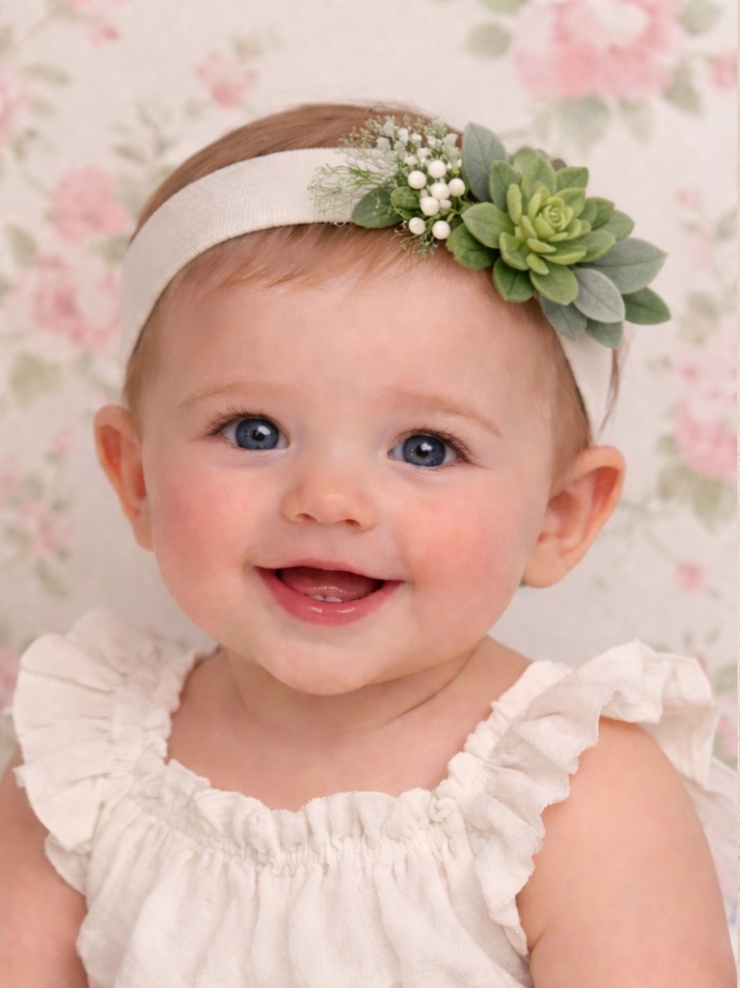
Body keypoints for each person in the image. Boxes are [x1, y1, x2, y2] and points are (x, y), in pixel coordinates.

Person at [0, 102, 734, 988]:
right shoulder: (81, 769)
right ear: (137, 479)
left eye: (427, 448)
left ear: (558, 516)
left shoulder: (573, 799)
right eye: (254, 431)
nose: (329, 501)